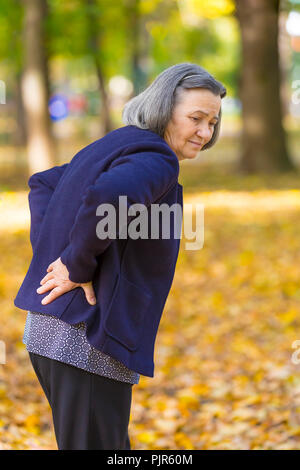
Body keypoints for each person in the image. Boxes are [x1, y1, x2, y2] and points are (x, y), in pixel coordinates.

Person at [14, 62, 226, 450]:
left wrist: (59, 254)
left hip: (52, 333)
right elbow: (109, 198)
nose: (204, 132)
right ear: (164, 108)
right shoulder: (156, 158)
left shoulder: (117, 143)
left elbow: (44, 183)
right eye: (195, 118)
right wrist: (74, 264)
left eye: (212, 122)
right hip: (85, 339)